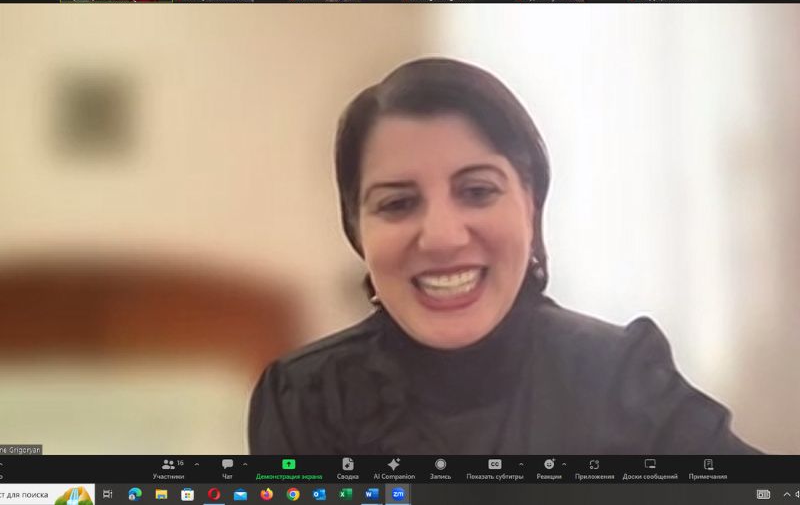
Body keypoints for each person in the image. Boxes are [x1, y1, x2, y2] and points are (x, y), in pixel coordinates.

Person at [248, 58, 760, 455]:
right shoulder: (305, 399)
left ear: (530, 205)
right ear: (357, 230)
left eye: (477, 191)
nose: (442, 238)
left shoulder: (620, 377)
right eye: (398, 204)